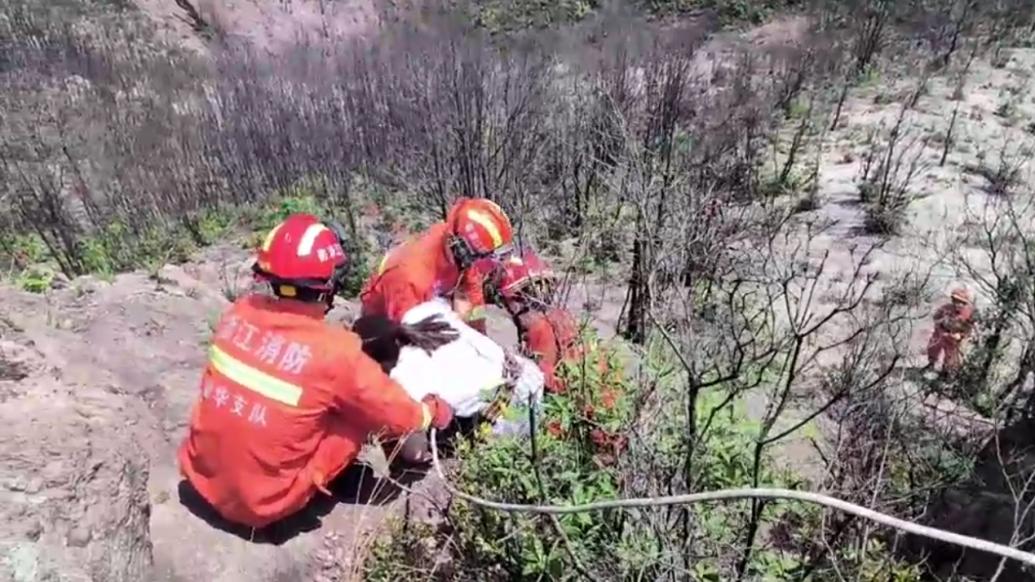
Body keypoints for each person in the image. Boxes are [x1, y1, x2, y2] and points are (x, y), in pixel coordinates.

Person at [178, 213, 455, 530]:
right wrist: (432, 411)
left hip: (200, 477)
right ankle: (326, 480)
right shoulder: (335, 353)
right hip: (263, 503)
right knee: (357, 413)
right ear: (329, 285)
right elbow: (398, 416)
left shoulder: (239, 313)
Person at [360, 197, 514, 334]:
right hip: (383, 321)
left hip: (420, 301)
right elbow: (409, 335)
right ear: (464, 249)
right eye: (487, 256)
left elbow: (472, 299)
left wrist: (481, 338)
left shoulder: (457, 247)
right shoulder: (412, 275)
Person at [486, 248, 584, 394]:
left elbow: (543, 381)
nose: (506, 308)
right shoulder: (561, 316)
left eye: (506, 302)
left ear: (518, 300)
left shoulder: (539, 330)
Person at [926, 286, 976, 375]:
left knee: (952, 355)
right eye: (956, 302)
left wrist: (961, 335)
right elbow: (936, 318)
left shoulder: (968, 313)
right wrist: (941, 326)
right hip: (942, 332)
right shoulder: (945, 308)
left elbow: (970, 328)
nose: (959, 305)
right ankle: (931, 363)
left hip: (956, 336)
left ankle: (948, 370)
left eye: (962, 303)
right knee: (934, 344)